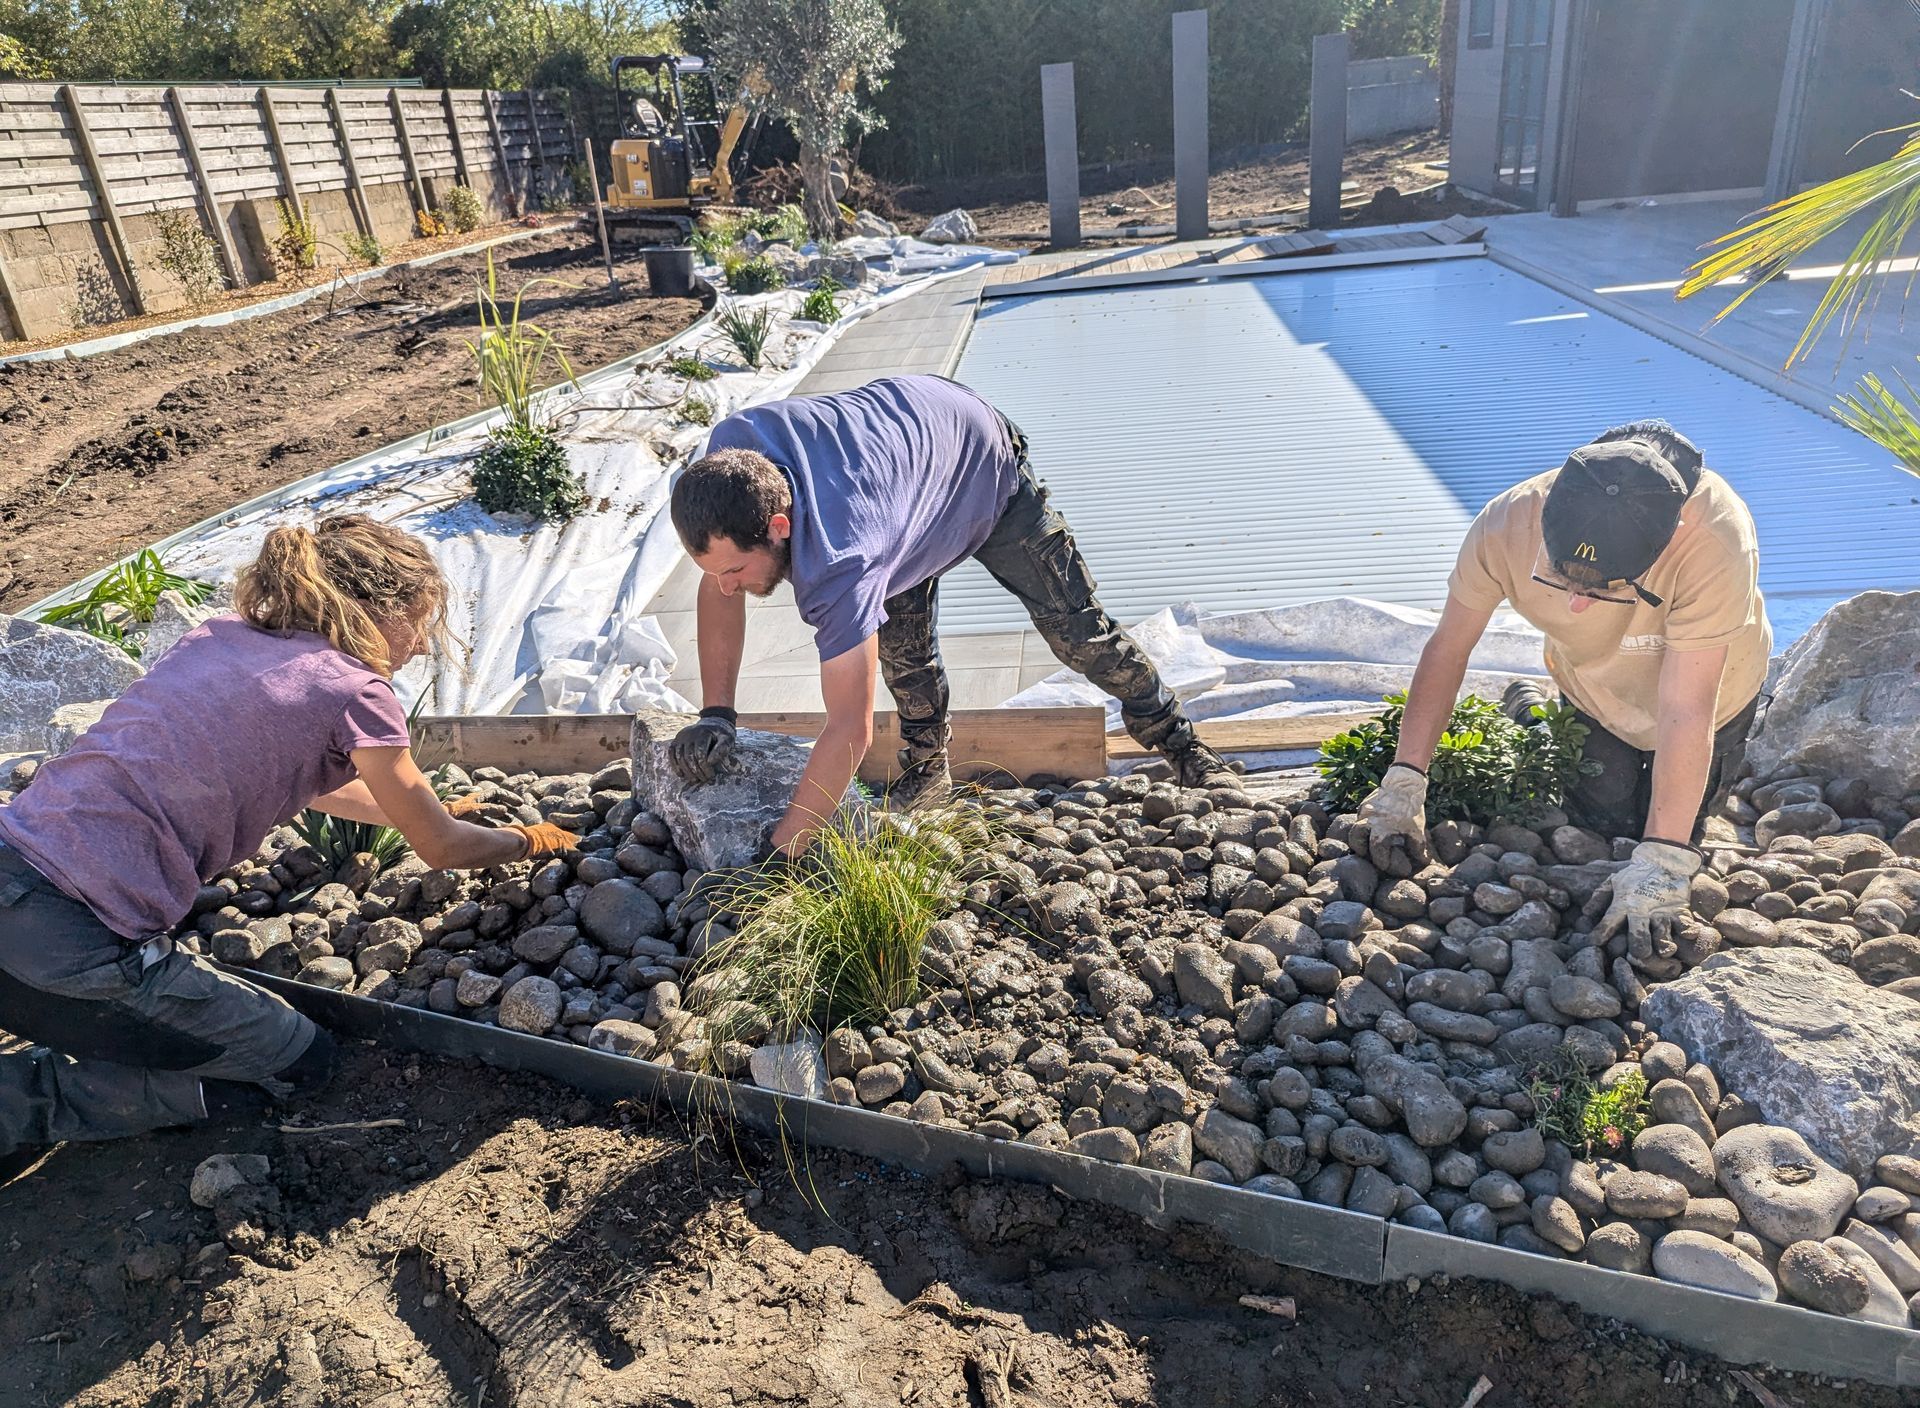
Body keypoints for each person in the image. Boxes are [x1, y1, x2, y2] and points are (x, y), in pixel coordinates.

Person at [0, 516, 576, 1177]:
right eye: (418, 622)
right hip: (65, 943)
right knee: (299, 1063)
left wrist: (419, 810)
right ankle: (17, 1106)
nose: (420, 645)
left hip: (12, 864)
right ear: (376, 609)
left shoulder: (220, 636)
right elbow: (442, 849)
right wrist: (528, 839)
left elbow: (296, 781)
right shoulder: (356, 692)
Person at [665, 374, 1236, 853]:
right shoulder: (728, 460)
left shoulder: (842, 561)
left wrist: (783, 851)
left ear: (778, 526)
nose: (726, 586)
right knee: (904, 657)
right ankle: (928, 771)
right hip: (899, 484)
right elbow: (720, 585)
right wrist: (717, 715)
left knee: (1079, 634)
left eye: (735, 570)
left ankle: (1182, 744)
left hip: (980, 464)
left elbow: (849, 730)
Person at [1356, 421, 1770, 957]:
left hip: (1716, 693)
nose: (1575, 604)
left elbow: (1686, 707)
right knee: (1604, 822)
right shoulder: (1507, 522)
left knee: (1675, 837)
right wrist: (1404, 780)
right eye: (1561, 579)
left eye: (1603, 590)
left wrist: (1664, 860)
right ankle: (1531, 714)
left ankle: (1541, 718)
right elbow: (1448, 649)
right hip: (1594, 684)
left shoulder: (1714, 540)